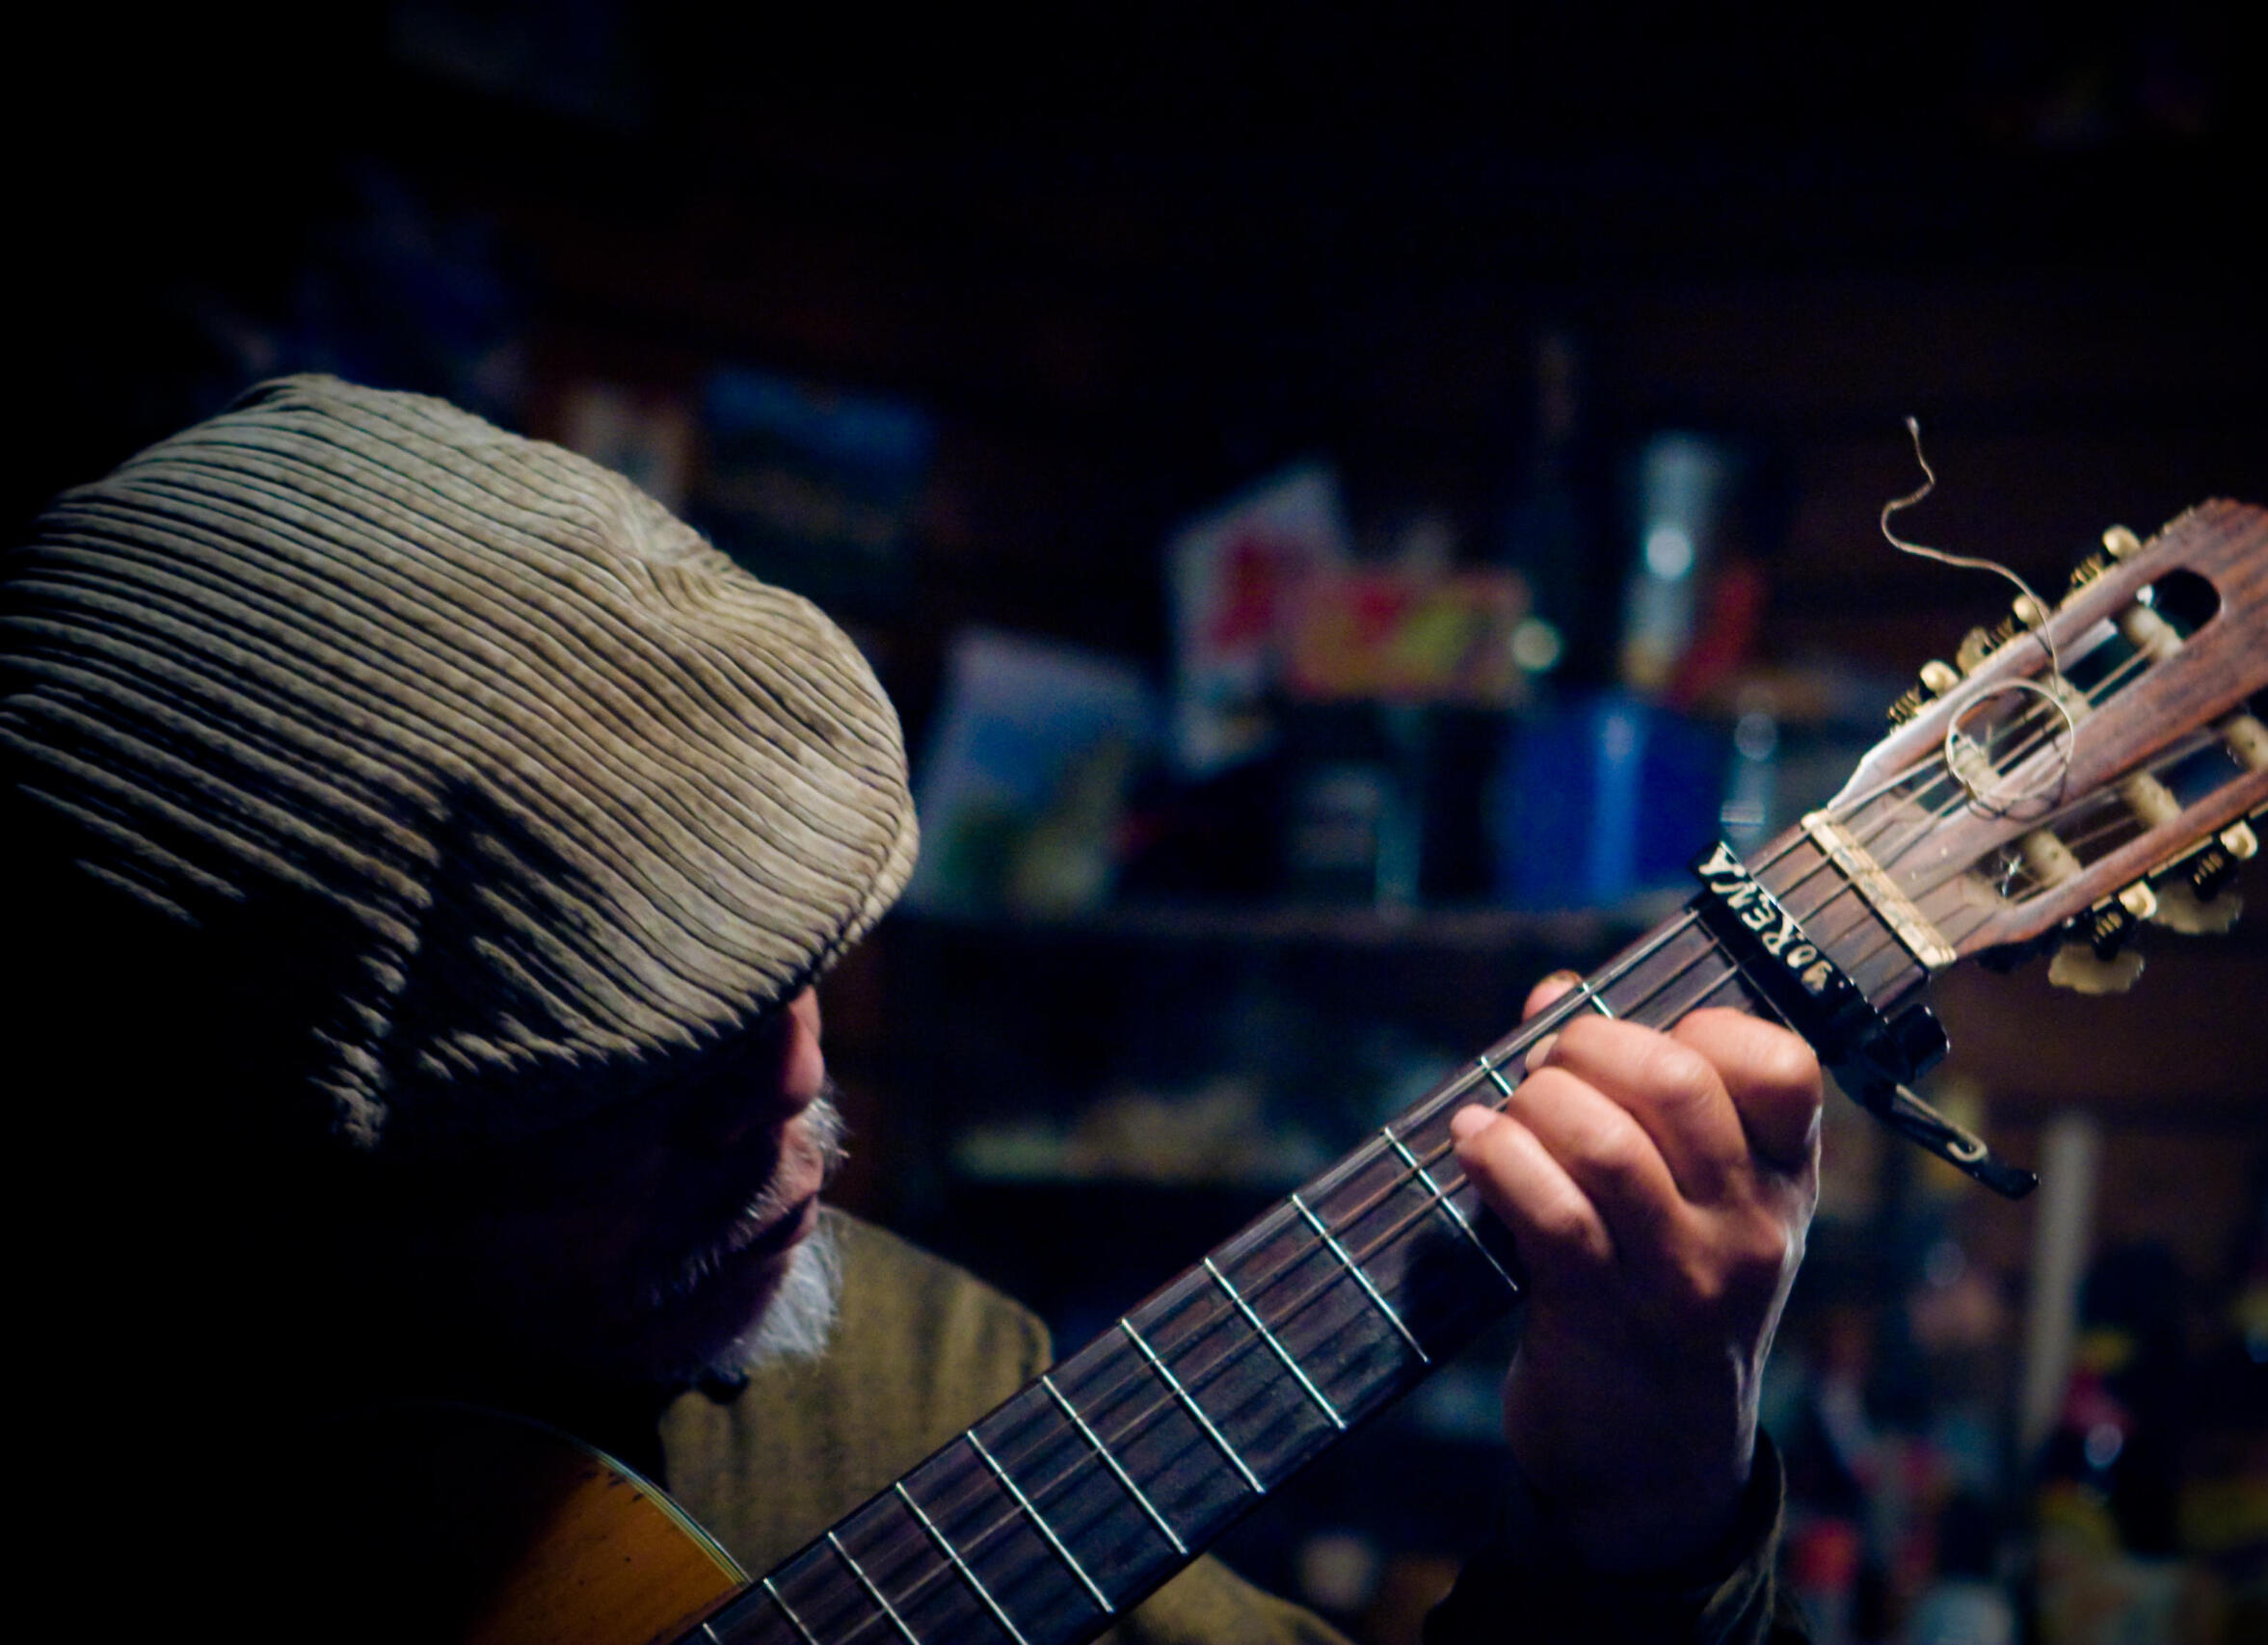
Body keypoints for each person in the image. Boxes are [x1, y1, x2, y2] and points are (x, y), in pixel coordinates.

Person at [2, 376, 1820, 1641]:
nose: (793, 1076)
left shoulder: (918, 1399)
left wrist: (1654, 1517)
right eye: (633, 1058)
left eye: (798, 952)